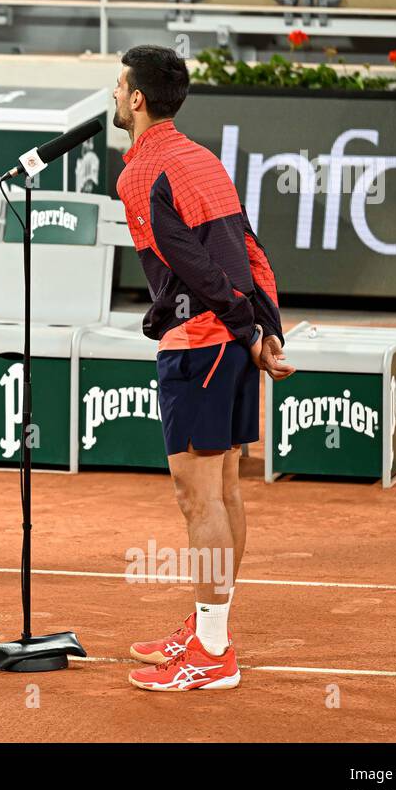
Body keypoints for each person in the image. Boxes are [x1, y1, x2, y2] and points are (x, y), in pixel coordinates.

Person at [111, 45, 295, 691]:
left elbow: (191, 264)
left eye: (117, 86)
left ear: (136, 99)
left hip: (201, 344)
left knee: (197, 498)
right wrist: (266, 328)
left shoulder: (139, 177)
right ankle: (206, 628)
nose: (113, 96)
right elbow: (248, 244)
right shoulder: (201, 160)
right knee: (226, 492)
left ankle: (213, 654)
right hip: (233, 342)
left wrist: (244, 328)